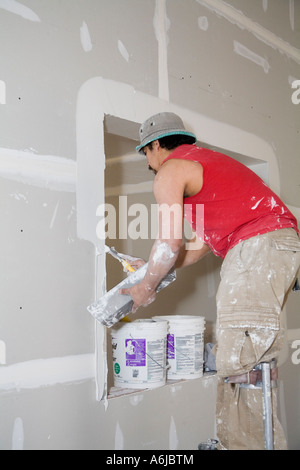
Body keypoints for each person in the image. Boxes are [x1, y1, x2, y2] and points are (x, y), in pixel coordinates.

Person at [119, 112, 300, 450]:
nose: (148, 161)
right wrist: (153, 271)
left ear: (156, 145)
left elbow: (169, 243)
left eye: (146, 152)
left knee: (238, 358)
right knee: (252, 355)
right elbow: (197, 247)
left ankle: (244, 446)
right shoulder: (207, 165)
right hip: (272, 246)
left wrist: (145, 289)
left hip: (257, 247)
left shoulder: (170, 171)